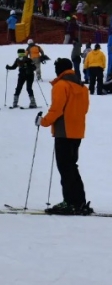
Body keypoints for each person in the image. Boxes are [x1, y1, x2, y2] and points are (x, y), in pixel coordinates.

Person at [38, 58, 91, 215]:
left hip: (64, 131)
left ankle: (70, 202)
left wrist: (44, 121)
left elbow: (57, 109)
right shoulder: (81, 87)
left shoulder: (61, 85)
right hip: (77, 131)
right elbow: (85, 109)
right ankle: (79, 201)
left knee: (65, 168)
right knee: (72, 166)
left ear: (59, 70)